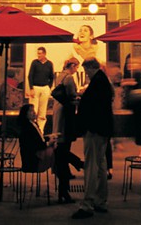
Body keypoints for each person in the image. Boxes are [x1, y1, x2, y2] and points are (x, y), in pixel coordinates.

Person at [71, 58, 114, 220]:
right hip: (103, 129)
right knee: (101, 165)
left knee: (91, 166)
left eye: (86, 70)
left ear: (90, 68)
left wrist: (80, 101)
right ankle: (101, 200)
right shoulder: (102, 81)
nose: (86, 74)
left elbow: (93, 107)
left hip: (94, 129)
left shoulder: (97, 82)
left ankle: (87, 204)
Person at [53, 57, 83, 204]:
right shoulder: (69, 78)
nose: (77, 69)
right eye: (76, 67)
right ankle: (78, 164)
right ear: (72, 65)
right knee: (64, 149)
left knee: (61, 149)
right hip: (66, 114)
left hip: (58, 112)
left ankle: (76, 164)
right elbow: (72, 95)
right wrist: (79, 96)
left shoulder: (60, 75)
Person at [18, 103, 54, 173]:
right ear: (25, 114)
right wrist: (49, 143)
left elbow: (39, 139)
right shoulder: (27, 128)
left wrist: (50, 137)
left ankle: (74, 165)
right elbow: (36, 145)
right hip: (33, 161)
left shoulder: (33, 124)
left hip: (38, 155)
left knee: (59, 151)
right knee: (57, 152)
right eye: (31, 111)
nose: (34, 113)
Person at [27, 46, 55, 133]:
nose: (38, 55)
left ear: (44, 54)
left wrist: (48, 87)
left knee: (42, 111)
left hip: (45, 88)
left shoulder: (49, 64)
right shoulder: (35, 63)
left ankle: (41, 130)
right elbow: (30, 76)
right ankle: (32, 129)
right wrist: (31, 88)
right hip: (35, 87)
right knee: (33, 109)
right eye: (37, 53)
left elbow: (52, 77)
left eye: (40, 53)